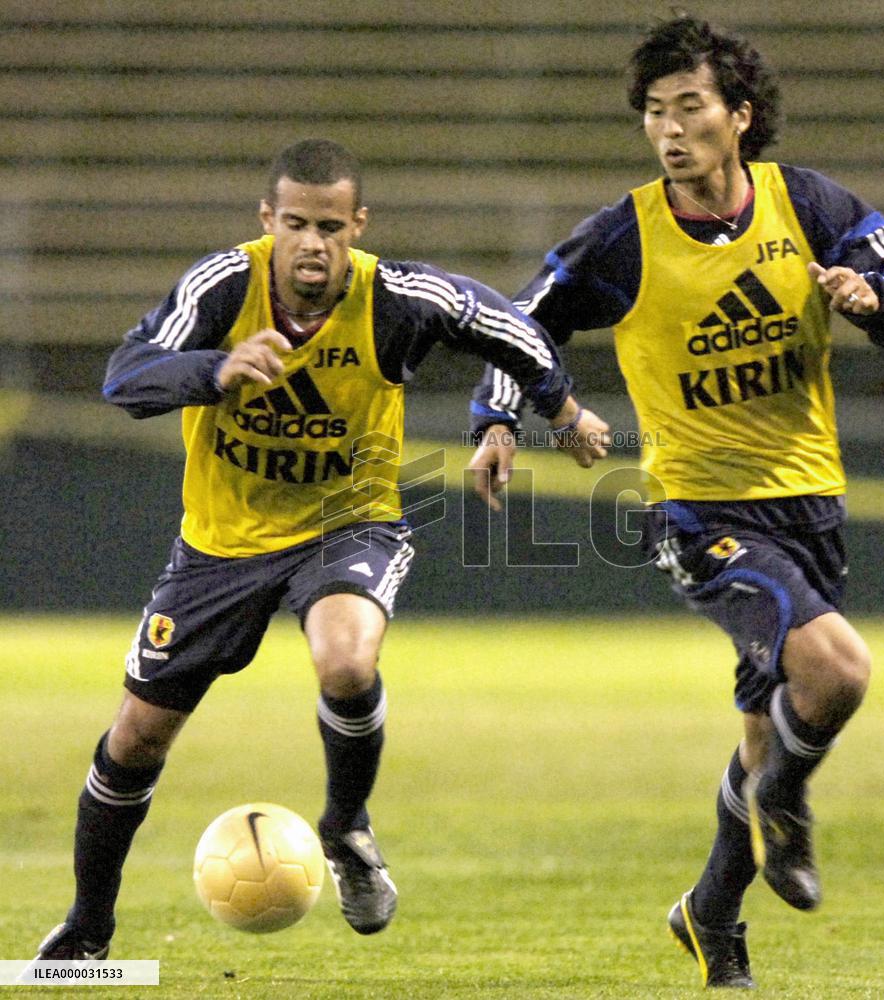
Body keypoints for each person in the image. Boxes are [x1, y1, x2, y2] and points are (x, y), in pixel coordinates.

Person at [35, 138, 609, 961]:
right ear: (268, 220)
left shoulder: (397, 297)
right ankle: (88, 929)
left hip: (350, 520)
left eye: (331, 227)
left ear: (358, 226)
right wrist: (215, 370)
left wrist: (546, 412)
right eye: (297, 224)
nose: (314, 242)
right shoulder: (222, 286)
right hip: (221, 545)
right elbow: (125, 377)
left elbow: (506, 327)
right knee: (135, 738)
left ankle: (345, 828)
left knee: (345, 661)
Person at [468, 16, 884, 990]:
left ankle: (711, 915)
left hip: (810, 502)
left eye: (690, 107)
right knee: (838, 671)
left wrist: (872, 300)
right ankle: (786, 807)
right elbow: (519, 321)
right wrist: (499, 416)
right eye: (655, 112)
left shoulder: (809, 204)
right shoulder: (623, 238)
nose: (671, 129)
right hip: (700, 513)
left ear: (740, 116)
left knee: (768, 732)